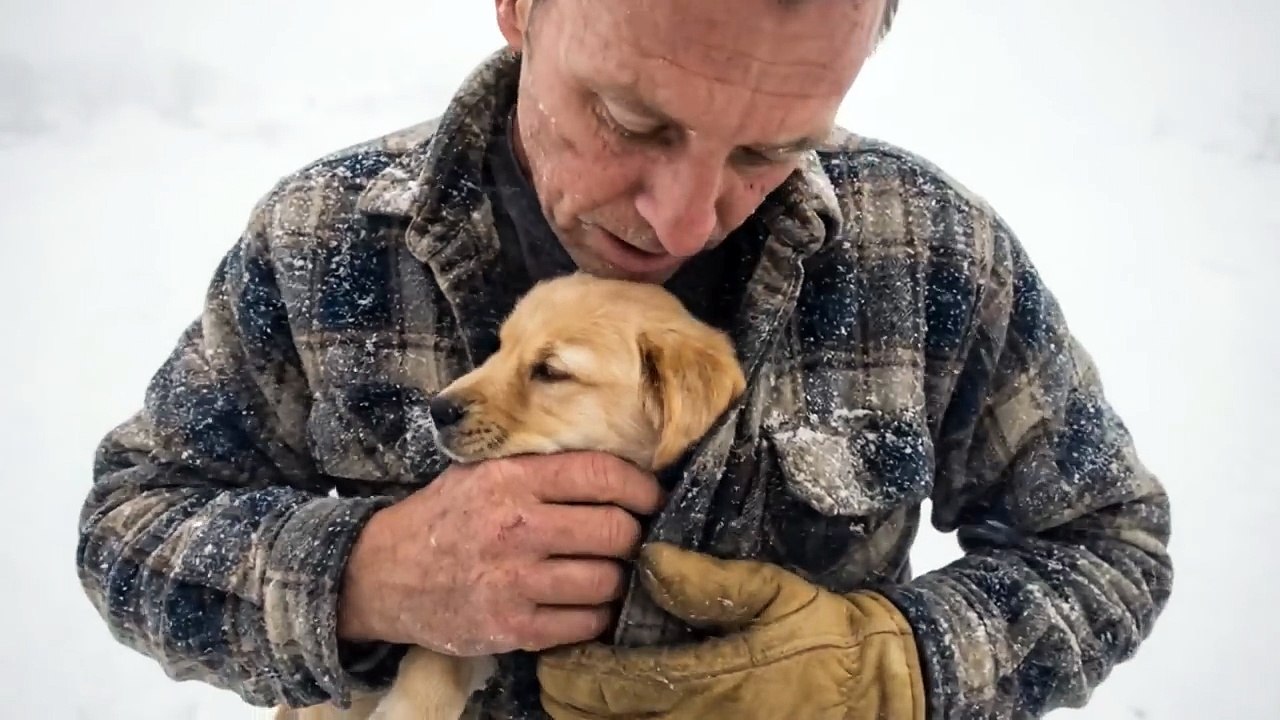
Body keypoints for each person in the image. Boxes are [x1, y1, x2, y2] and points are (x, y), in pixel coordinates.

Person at [75, 0, 1174, 718]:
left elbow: (1105, 545)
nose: (683, 218)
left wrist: (893, 668)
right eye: (628, 120)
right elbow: (130, 528)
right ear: (519, 7)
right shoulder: (325, 238)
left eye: (767, 149)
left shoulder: (927, 249)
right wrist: (365, 576)